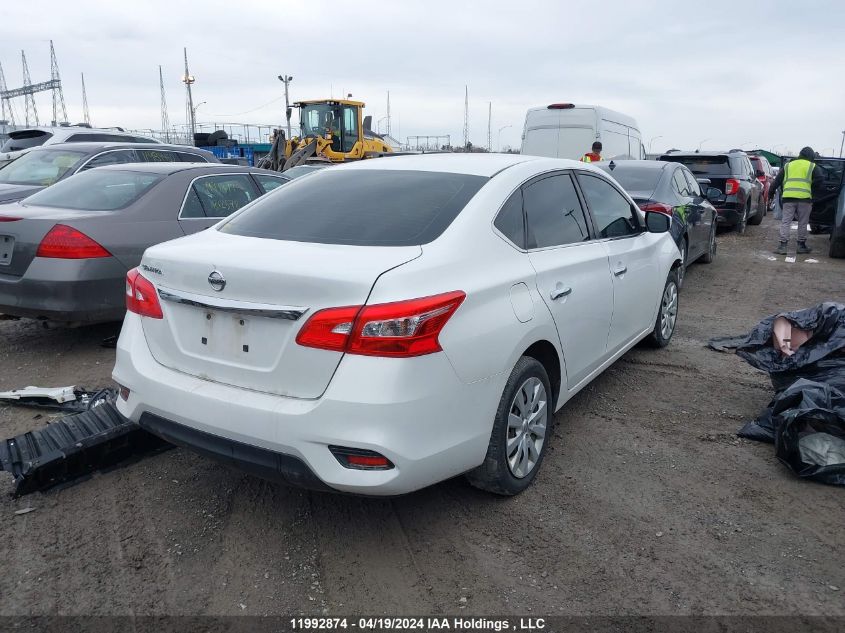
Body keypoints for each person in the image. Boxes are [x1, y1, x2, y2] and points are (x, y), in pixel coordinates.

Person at [769, 146, 823, 255]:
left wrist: (770, 193)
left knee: (786, 222)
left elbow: (777, 181)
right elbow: (820, 179)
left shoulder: (788, 165)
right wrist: (812, 189)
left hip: (788, 198)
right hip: (805, 199)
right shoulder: (812, 166)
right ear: (811, 156)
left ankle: (782, 246)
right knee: (803, 222)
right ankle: (801, 246)